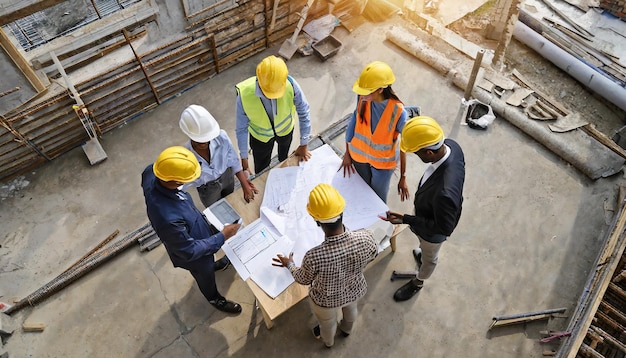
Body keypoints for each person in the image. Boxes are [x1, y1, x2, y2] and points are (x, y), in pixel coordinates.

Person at [272, 184, 378, 348]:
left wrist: (290, 264)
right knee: (351, 312)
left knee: (327, 324)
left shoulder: (314, 256)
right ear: (341, 212)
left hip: (326, 301)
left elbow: (303, 279)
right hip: (355, 290)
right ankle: (347, 330)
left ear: (316, 221)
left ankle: (328, 342)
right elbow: (373, 254)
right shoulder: (365, 237)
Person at [141, 146, 243, 313]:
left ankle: (213, 264)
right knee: (204, 274)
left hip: (193, 226)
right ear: (174, 180)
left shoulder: (152, 172)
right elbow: (189, 250)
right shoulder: (167, 218)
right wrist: (223, 236)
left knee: (208, 260)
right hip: (194, 256)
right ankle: (214, 298)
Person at [383, 116, 465, 302]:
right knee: (423, 247)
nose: (414, 155)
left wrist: (406, 219)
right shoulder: (452, 146)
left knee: (429, 259)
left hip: (432, 233)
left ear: (428, 152)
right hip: (428, 212)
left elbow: (443, 228)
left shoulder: (444, 193)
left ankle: (418, 282)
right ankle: (422, 251)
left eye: (415, 152)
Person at [339, 61, 421, 203]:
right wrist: (347, 154)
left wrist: (403, 176)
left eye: (367, 92)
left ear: (381, 89)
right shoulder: (362, 98)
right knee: (363, 191)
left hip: (382, 164)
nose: (362, 95)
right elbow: (351, 128)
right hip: (359, 157)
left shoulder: (398, 112)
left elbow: (404, 146)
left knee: (377, 199)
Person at [235, 55, 312, 174]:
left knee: (284, 158)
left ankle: (283, 163)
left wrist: (304, 143)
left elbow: (304, 111)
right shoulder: (244, 94)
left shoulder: (290, 84)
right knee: (261, 168)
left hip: (285, 132)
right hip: (260, 139)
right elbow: (241, 129)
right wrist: (244, 157)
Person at [179, 104, 259, 207]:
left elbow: (233, 161)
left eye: (206, 139)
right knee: (215, 210)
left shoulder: (222, 137)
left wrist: (245, 184)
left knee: (230, 200)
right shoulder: (185, 156)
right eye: (199, 140)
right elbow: (180, 185)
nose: (203, 143)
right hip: (207, 189)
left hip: (227, 177)